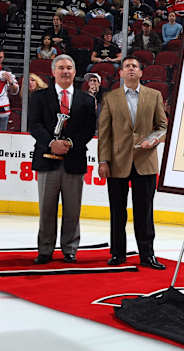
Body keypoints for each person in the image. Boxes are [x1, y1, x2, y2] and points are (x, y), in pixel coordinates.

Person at [97, 55, 168, 269]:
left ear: (141, 72)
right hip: (117, 162)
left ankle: (147, 255)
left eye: (134, 66)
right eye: (126, 66)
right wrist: (103, 161)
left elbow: (163, 126)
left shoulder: (154, 96)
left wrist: (153, 140)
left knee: (144, 211)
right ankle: (118, 253)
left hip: (145, 162)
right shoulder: (110, 98)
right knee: (117, 211)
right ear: (120, 73)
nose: (130, 69)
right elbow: (104, 133)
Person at [28, 54, 97, 264]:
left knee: (73, 209)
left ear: (75, 72)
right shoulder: (39, 97)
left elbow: (88, 129)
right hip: (47, 160)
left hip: (74, 161)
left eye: (69, 67)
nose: (65, 71)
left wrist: (69, 145)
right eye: (61, 67)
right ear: (53, 72)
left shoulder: (87, 100)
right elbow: (34, 125)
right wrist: (52, 143)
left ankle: (70, 249)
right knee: (46, 208)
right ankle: (45, 250)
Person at [0, 50, 19, 131]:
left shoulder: (7, 72)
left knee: (3, 136)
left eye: (0, 57)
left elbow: (15, 92)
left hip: (3, 108)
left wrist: (11, 82)